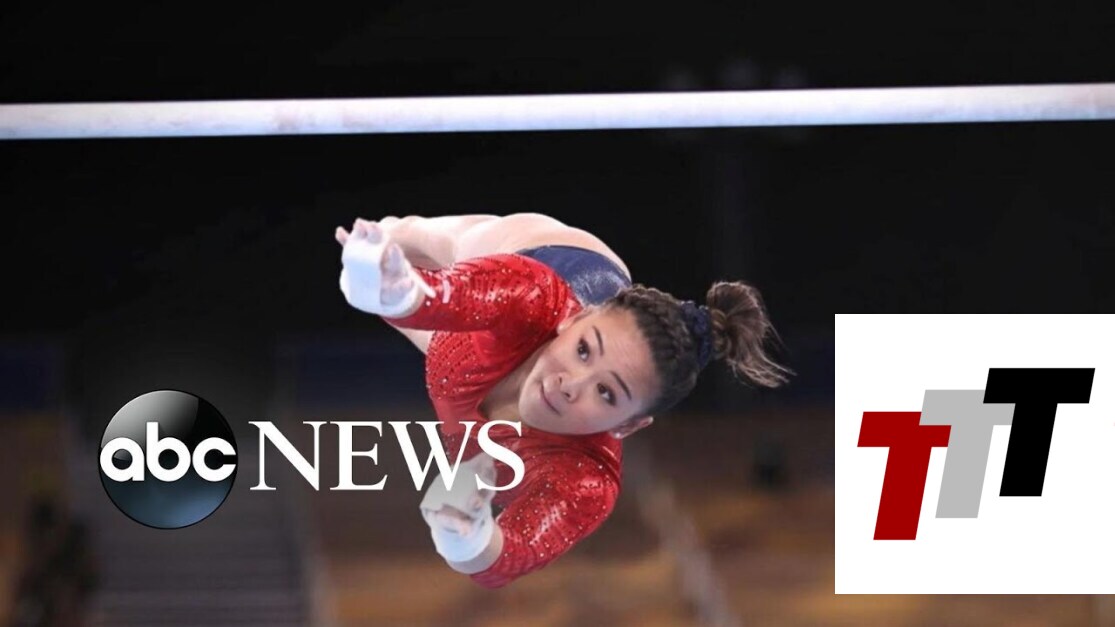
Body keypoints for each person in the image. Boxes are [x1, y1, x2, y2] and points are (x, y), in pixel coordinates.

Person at [335, 213, 789, 588]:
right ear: (575, 319)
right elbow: (434, 297)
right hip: (549, 254)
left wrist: (464, 537)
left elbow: (507, 555)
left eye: (606, 393)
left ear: (627, 425)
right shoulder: (529, 294)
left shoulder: (585, 480)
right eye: (584, 350)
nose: (571, 384)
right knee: (412, 240)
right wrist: (387, 276)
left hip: (465, 365)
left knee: (399, 307)